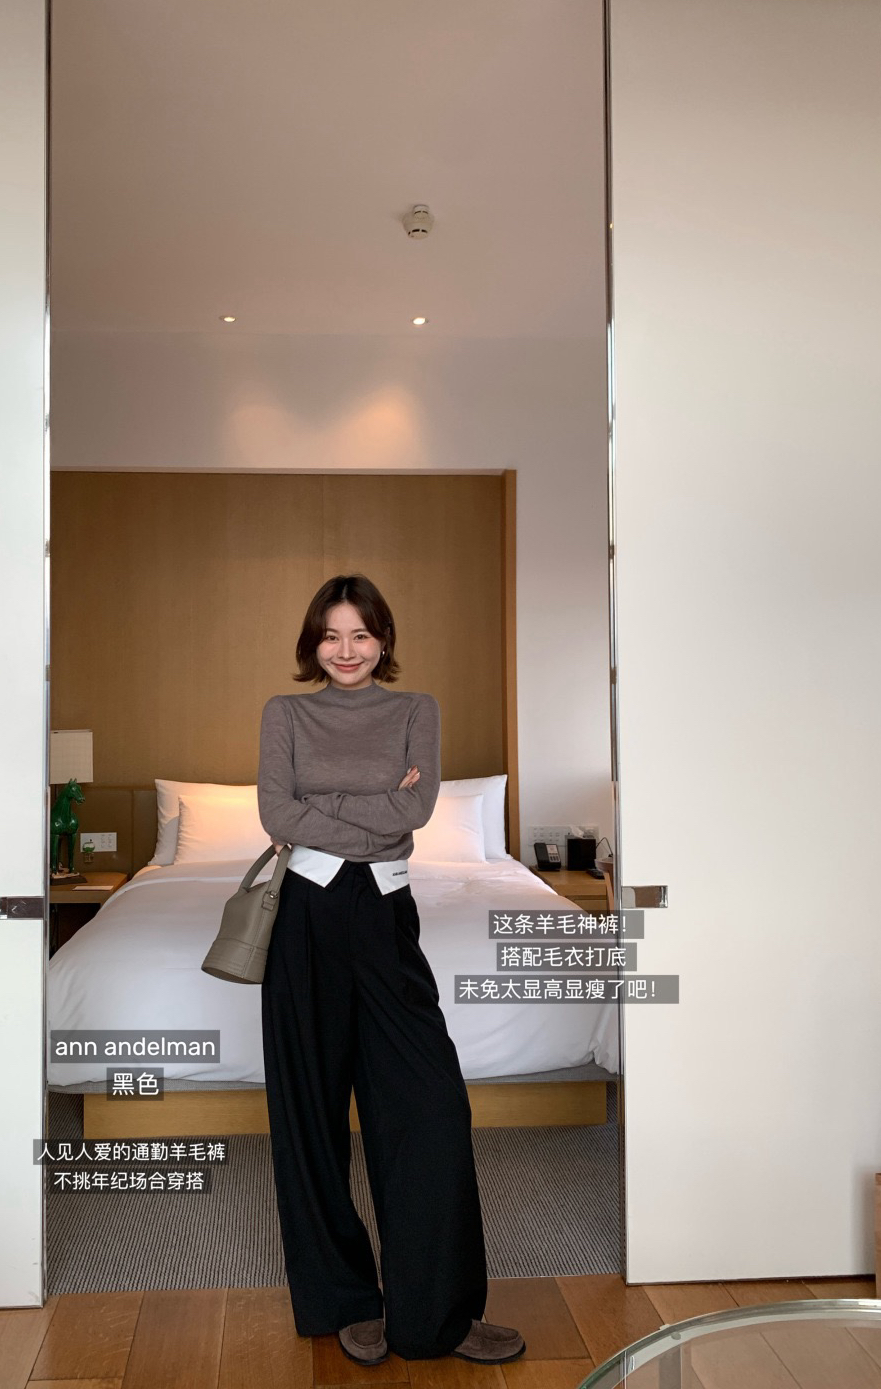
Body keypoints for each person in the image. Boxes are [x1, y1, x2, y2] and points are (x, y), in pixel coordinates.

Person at [256, 573, 525, 1366]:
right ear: (313, 643)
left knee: (430, 1104)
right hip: (303, 918)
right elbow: (277, 814)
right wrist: (370, 803)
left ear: (383, 642)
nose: (346, 650)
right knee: (309, 1118)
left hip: (384, 914)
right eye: (331, 636)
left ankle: (436, 1314)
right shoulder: (285, 714)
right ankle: (343, 1301)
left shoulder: (416, 711)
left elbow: (413, 812)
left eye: (361, 635)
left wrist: (325, 811)